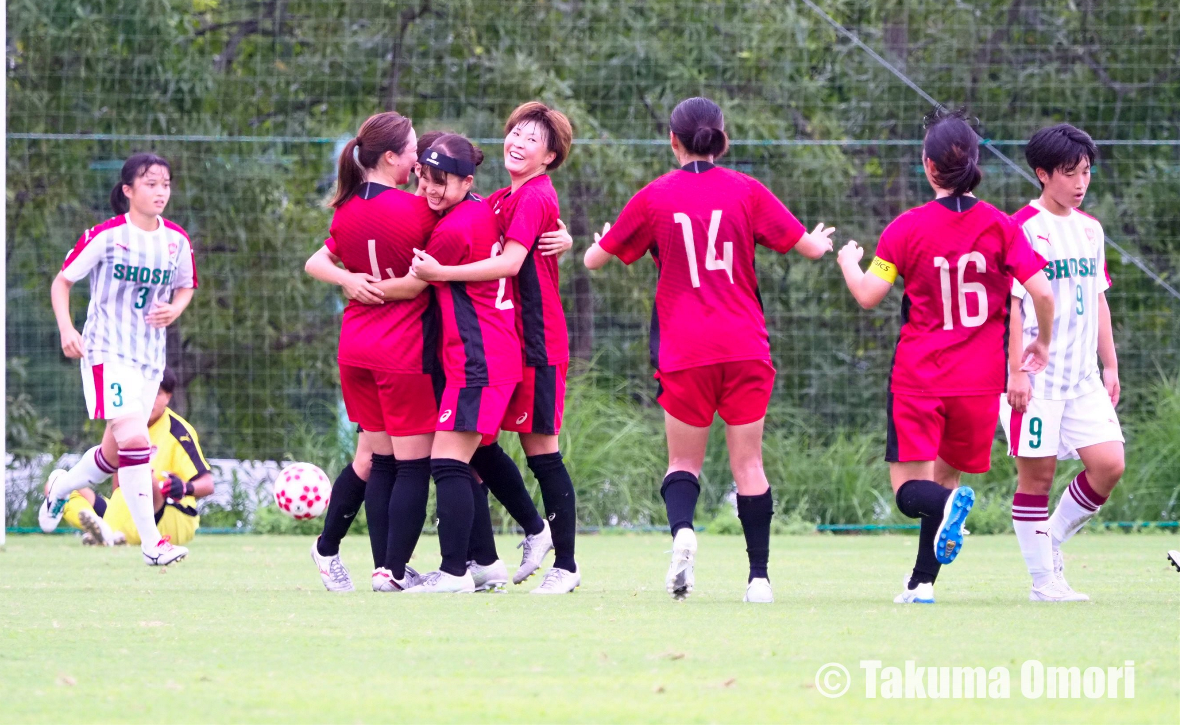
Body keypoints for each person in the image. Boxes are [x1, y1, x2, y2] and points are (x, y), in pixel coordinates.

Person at [583, 97, 836, 603]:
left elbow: (593, 260)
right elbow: (807, 247)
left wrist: (602, 240)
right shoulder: (746, 190)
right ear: (723, 138)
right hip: (744, 346)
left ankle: (683, 533)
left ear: (672, 141)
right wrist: (821, 242)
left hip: (685, 350)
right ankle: (759, 579)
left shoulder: (654, 197)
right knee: (749, 465)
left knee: (683, 461)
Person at [836, 110, 1054, 604]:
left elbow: (868, 294)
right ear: (975, 162)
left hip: (920, 378)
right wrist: (1039, 345)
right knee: (945, 481)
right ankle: (922, 585)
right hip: (980, 383)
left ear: (928, 166)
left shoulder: (905, 229)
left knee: (911, 492)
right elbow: (1043, 292)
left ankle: (946, 516)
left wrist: (849, 262)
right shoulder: (1003, 227)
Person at [412, 101, 581, 594]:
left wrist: (441, 273)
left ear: (550, 157)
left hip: (537, 341)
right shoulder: (506, 197)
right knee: (479, 445)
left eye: (532, 139)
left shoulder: (534, 196)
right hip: (505, 341)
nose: (518, 142)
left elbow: (509, 263)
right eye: (516, 133)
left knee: (542, 454)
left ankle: (565, 564)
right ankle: (510, 543)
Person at [303, 112, 440, 592]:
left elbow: (317, 260)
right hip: (401, 349)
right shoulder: (418, 210)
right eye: (414, 150)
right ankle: (394, 571)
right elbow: (427, 275)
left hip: (356, 346)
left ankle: (378, 565)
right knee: (412, 464)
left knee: (379, 460)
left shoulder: (345, 208)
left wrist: (348, 279)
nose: (419, 159)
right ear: (391, 157)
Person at [38, 153, 197, 567]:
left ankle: (60, 489)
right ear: (128, 190)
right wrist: (67, 329)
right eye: (150, 184)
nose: (160, 192)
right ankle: (153, 545)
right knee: (136, 440)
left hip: (149, 359)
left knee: (113, 456)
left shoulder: (177, 241)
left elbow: (186, 286)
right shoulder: (106, 237)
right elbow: (62, 282)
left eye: (165, 184)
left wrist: (175, 309)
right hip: (106, 352)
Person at [1001, 123, 1125, 601]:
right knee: (1037, 478)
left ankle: (1049, 540)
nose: (1080, 183)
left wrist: (1109, 365)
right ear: (1043, 174)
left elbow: (1098, 298)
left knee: (1109, 464)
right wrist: (1015, 372)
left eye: (1086, 172)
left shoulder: (1091, 229)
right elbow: (1012, 306)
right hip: (1037, 380)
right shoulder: (1023, 229)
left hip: (1083, 378)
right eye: (1070, 173)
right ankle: (1043, 582)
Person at [397, 133, 524, 593]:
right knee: (464, 462)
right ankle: (486, 564)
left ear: (467, 181)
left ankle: (454, 573)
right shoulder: (480, 208)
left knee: (447, 462)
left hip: (479, 358)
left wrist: (355, 284)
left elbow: (414, 283)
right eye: (426, 178)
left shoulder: (452, 229)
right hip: (484, 355)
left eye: (441, 181)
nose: (431, 189)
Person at [62, 376, 214, 547]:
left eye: (156, 393)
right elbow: (118, 488)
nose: (149, 399)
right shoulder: (123, 424)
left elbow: (208, 484)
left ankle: (107, 532)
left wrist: (185, 488)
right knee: (61, 486)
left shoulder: (179, 431)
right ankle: (104, 532)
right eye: (143, 393)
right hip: (131, 512)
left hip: (171, 516)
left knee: (141, 473)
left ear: (168, 397)